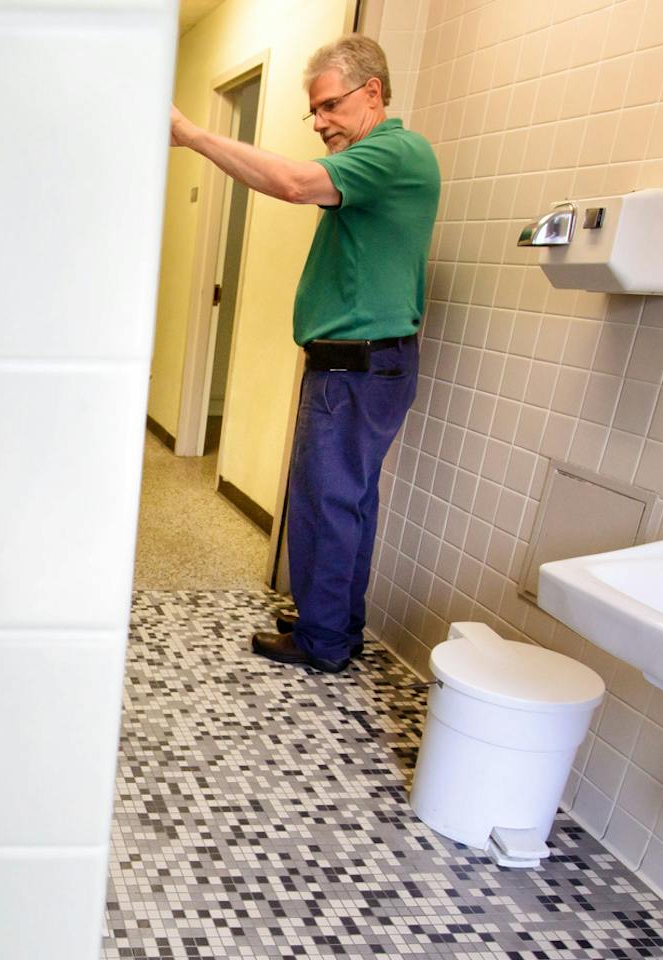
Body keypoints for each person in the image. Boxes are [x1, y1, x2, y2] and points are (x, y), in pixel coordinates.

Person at [170, 35, 439, 672]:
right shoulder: (381, 157)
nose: (319, 123)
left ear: (373, 92)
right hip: (365, 364)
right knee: (347, 500)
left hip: (358, 367)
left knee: (327, 501)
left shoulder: (393, 152)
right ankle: (332, 624)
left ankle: (323, 643)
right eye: (312, 111)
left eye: (329, 106)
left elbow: (292, 184)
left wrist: (192, 135)